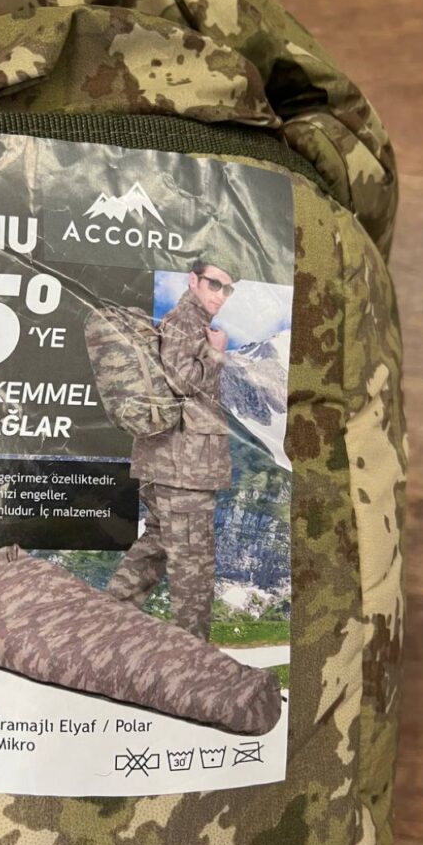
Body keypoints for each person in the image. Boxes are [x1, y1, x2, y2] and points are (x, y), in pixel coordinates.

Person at [106, 258, 235, 640]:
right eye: (214, 284)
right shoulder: (184, 322)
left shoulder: (187, 322)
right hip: (184, 468)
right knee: (193, 565)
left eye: (227, 289)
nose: (220, 295)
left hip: (168, 463)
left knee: (156, 546)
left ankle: (101, 625)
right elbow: (181, 381)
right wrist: (216, 353)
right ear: (194, 280)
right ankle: (194, 656)